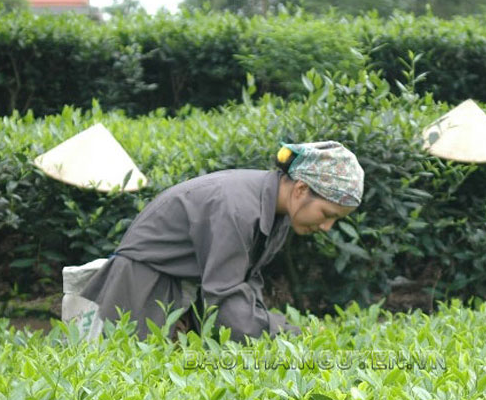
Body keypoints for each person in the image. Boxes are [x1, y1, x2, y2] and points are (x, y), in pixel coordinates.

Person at [81, 141, 364, 342]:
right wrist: (288, 334)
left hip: (180, 291)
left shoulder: (277, 214)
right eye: (328, 214)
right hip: (144, 290)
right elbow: (225, 295)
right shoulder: (236, 207)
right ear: (301, 189)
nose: (327, 226)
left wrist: (272, 326)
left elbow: (244, 283)